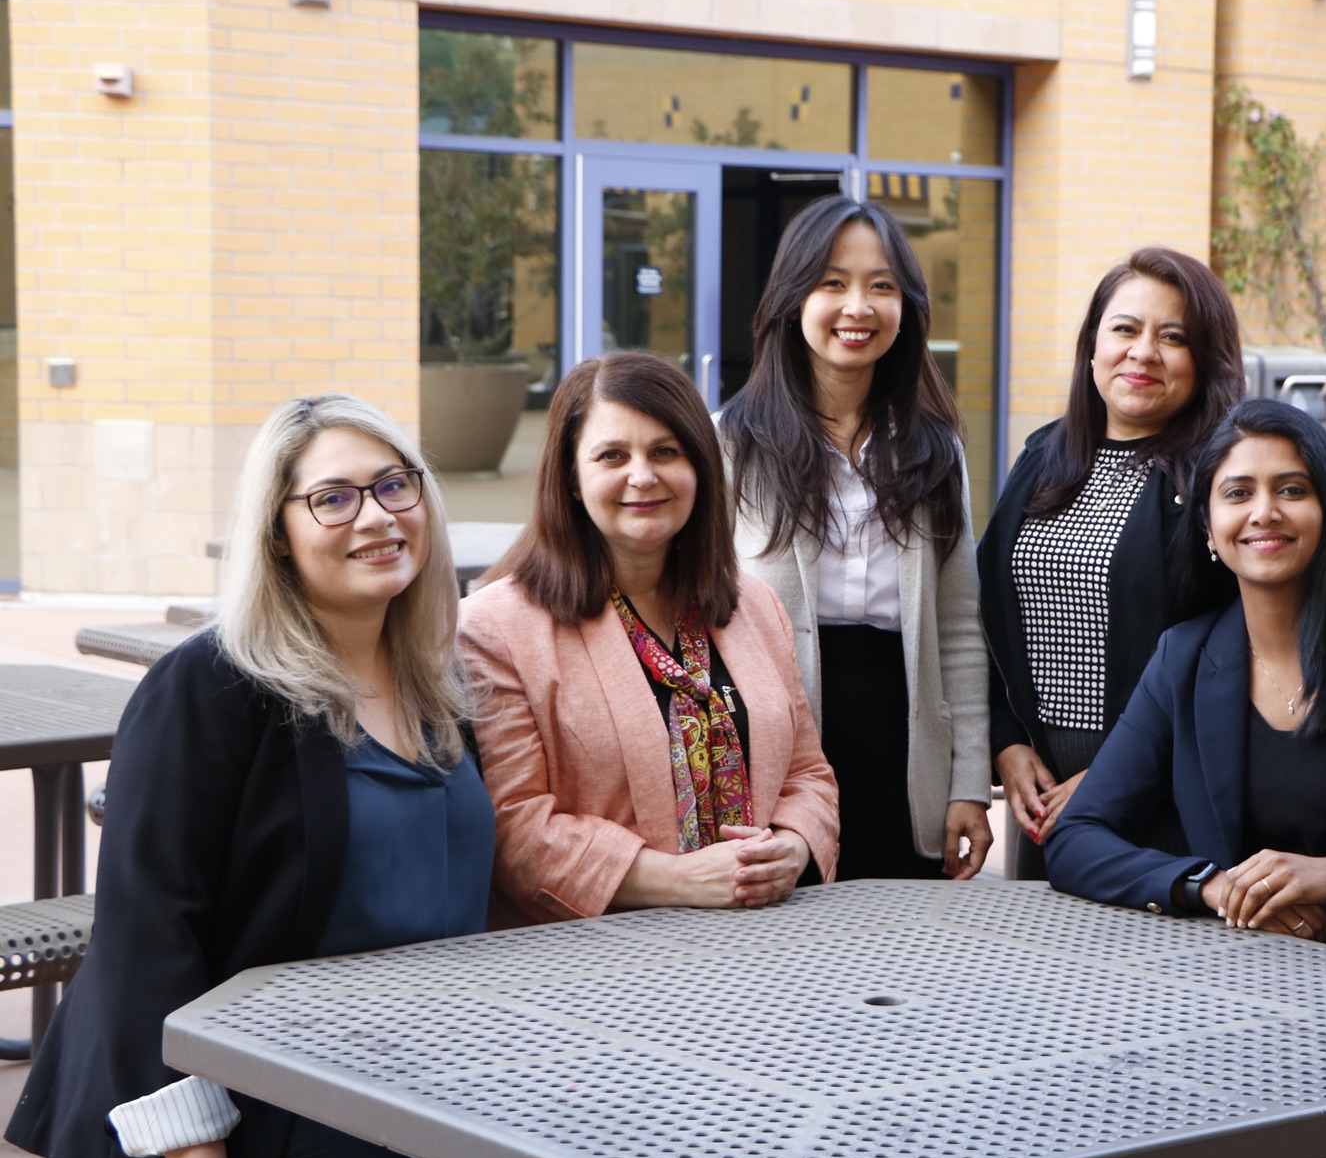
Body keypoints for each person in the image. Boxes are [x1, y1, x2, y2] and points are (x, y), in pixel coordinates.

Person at [6, 395, 486, 1158]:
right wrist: (198, 1157)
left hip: (422, 1081)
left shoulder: (442, 683)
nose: (377, 516)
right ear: (278, 535)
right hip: (264, 1104)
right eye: (333, 499)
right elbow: (147, 939)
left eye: (396, 485)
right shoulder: (212, 687)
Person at [1046, 398, 1326, 1158]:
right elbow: (1078, 838)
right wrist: (1212, 887)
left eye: (1292, 488)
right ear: (1210, 527)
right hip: (1247, 995)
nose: (1265, 512)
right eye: (1238, 492)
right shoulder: (1184, 659)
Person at [461, 351, 838, 922]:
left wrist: (793, 847)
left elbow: (808, 774)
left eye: (666, 451)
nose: (643, 475)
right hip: (594, 970)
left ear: (700, 467)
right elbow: (516, 827)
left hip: (761, 947)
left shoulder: (756, 606)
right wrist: (681, 880)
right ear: (570, 474)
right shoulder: (496, 628)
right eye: (612, 455)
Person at [717, 194, 991, 881]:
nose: (857, 307)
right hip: (780, 725)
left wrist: (968, 782)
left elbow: (958, 626)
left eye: (882, 287)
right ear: (791, 298)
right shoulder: (733, 442)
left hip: (903, 730)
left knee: (901, 936)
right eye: (832, 283)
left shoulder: (935, 449)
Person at [977, 247, 1242, 880]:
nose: (1143, 352)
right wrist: (1007, 744)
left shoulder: (1220, 482)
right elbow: (984, 617)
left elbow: (1237, 650)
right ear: (1092, 346)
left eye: (1172, 337)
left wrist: (1119, 770)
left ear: (1205, 361)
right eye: (1125, 328)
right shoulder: (1043, 458)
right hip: (1041, 791)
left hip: (1169, 789)